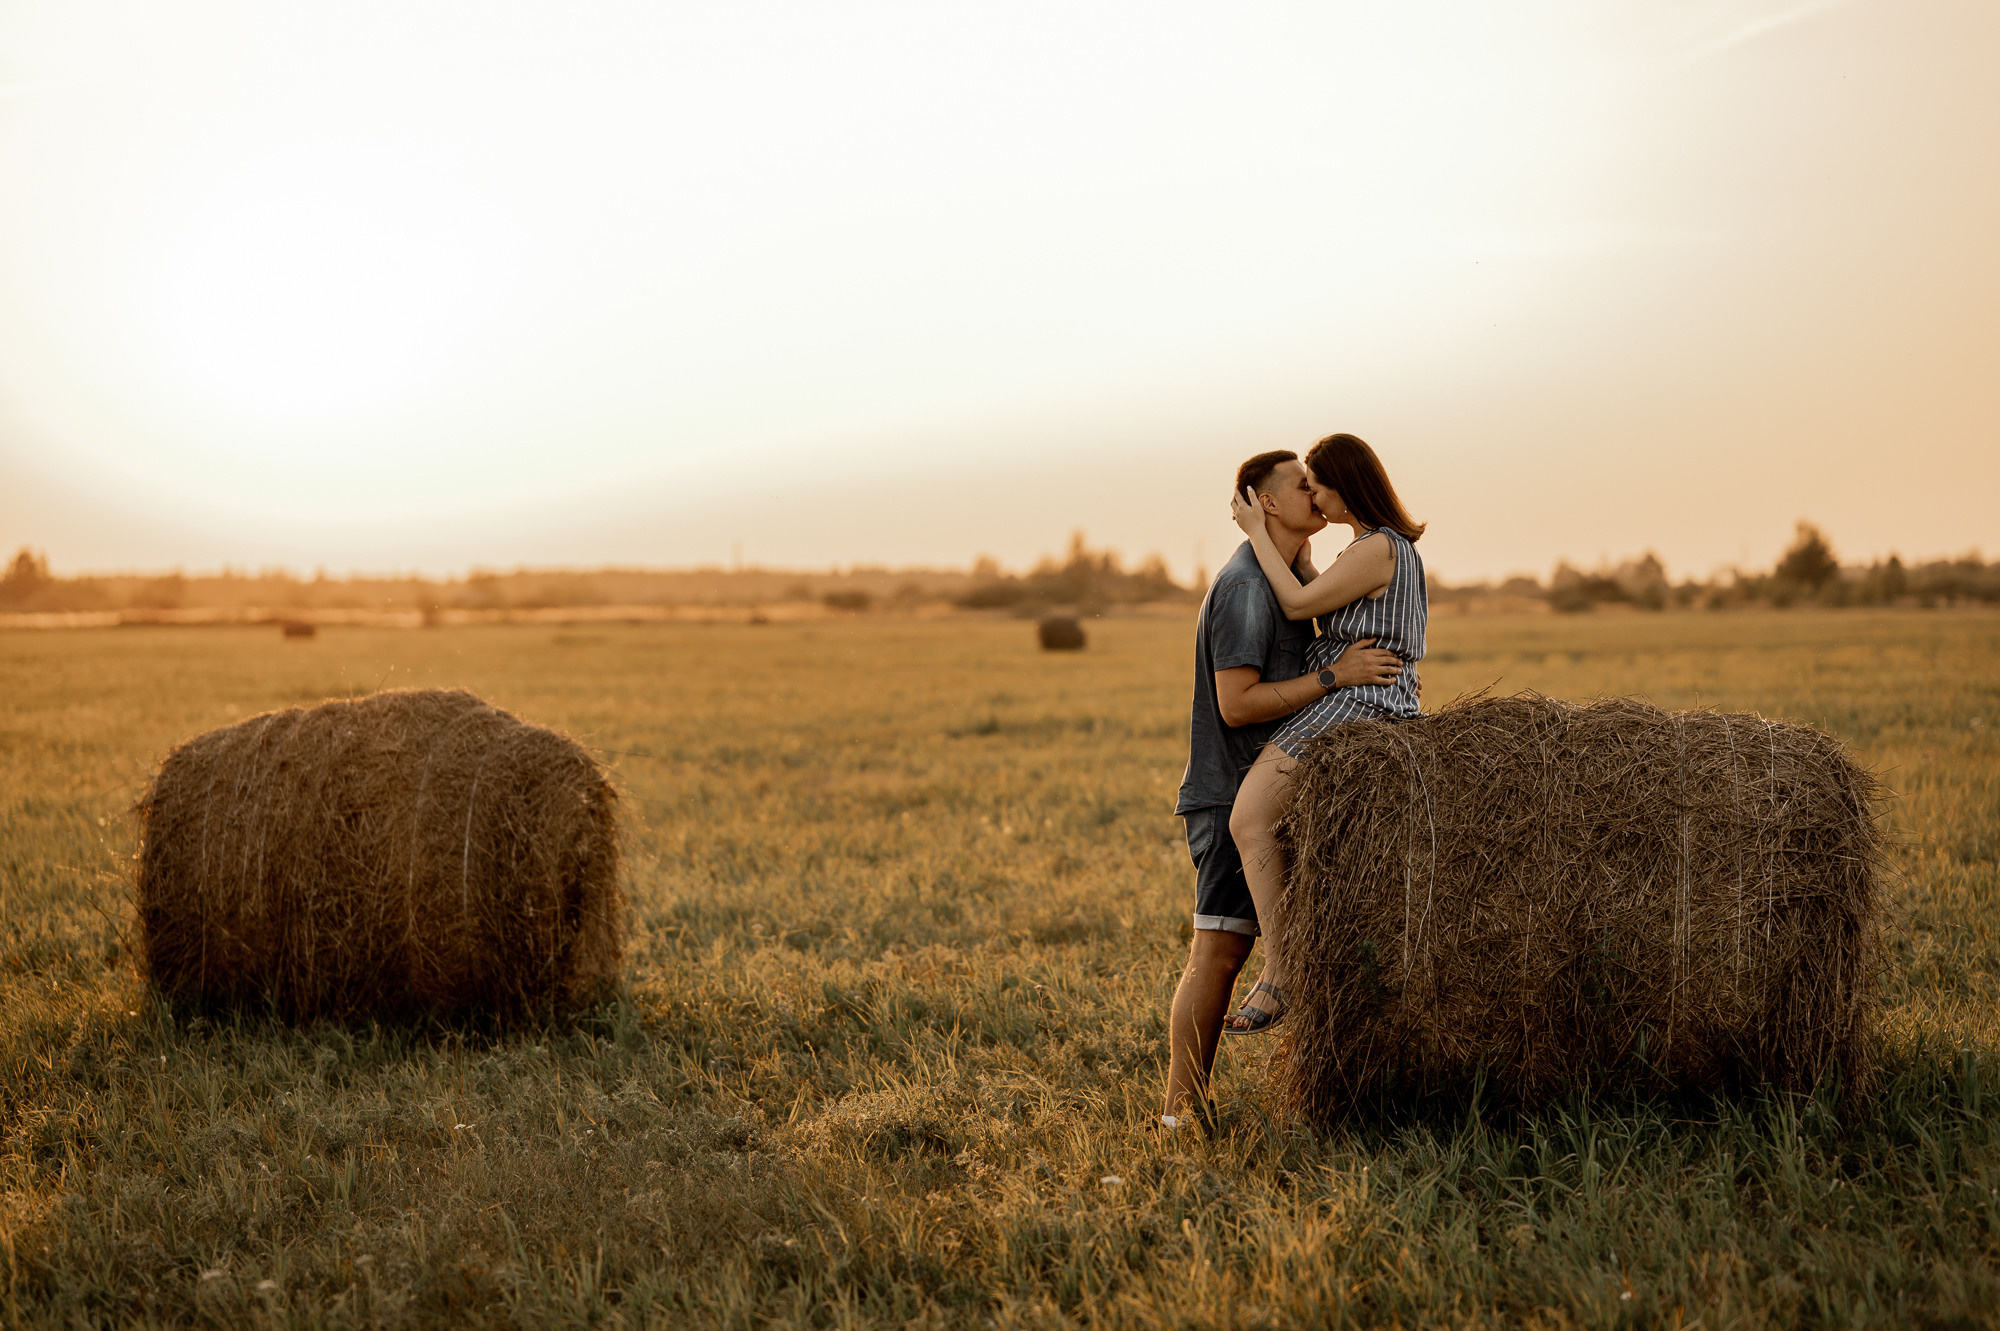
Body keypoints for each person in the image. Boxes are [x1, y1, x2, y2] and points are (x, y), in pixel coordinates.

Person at [1163, 448, 1407, 1126]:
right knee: (1219, 952)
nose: (1315, 492)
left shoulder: (1289, 575)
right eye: (1302, 486)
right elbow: (1237, 704)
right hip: (1232, 794)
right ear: (1267, 503)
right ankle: (1179, 1115)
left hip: (1278, 792)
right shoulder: (1246, 586)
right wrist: (1336, 677)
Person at [1221, 432, 1427, 1035]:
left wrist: (1257, 534)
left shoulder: (1379, 547)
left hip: (1360, 699)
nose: (1313, 496)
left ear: (1345, 488)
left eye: (1317, 486)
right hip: (1359, 693)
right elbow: (1323, 597)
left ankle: (1282, 971)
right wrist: (1301, 556)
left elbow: (1295, 606)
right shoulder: (1369, 547)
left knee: (1249, 818)